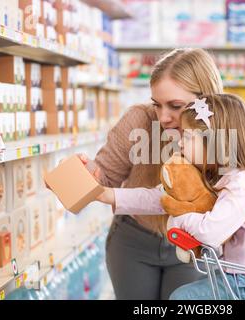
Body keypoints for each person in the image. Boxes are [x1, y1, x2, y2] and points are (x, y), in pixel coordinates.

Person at [97, 93, 245, 300]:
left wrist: (179, 218)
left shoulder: (241, 184)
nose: (180, 143)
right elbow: (162, 198)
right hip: (240, 277)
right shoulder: (213, 175)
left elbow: (210, 233)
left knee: (182, 299)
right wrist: (109, 194)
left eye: (188, 136)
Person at [79, 48, 224, 299]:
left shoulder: (223, 134)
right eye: (157, 104)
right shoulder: (140, 120)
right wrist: (85, 175)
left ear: (206, 102)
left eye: (175, 106)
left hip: (192, 247)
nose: (164, 117)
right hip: (133, 242)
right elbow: (105, 176)